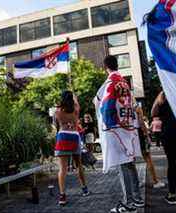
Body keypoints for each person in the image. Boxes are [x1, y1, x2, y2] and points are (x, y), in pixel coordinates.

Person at [94, 55, 144, 213]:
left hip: (117, 128)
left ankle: (128, 203)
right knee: (129, 163)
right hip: (128, 126)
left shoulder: (111, 83)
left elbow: (107, 104)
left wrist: (108, 124)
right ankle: (137, 198)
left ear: (105, 67)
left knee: (123, 165)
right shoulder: (125, 82)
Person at [54, 91, 89, 205]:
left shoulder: (58, 111)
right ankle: (84, 189)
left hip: (63, 136)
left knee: (62, 169)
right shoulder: (76, 109)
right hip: (74, 136)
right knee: (79, 165)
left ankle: (62, 196)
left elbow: (56, 125)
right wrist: (74, 95)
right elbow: (76, 102)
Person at [134, 101, 165, 189]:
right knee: (148, 158)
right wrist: (147, 135)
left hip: (129, 134)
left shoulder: (123, 105)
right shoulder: (136, 107)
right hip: (139, 134)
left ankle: (135, 182)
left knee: (131, 161)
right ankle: (155, 181)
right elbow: (141, 123)